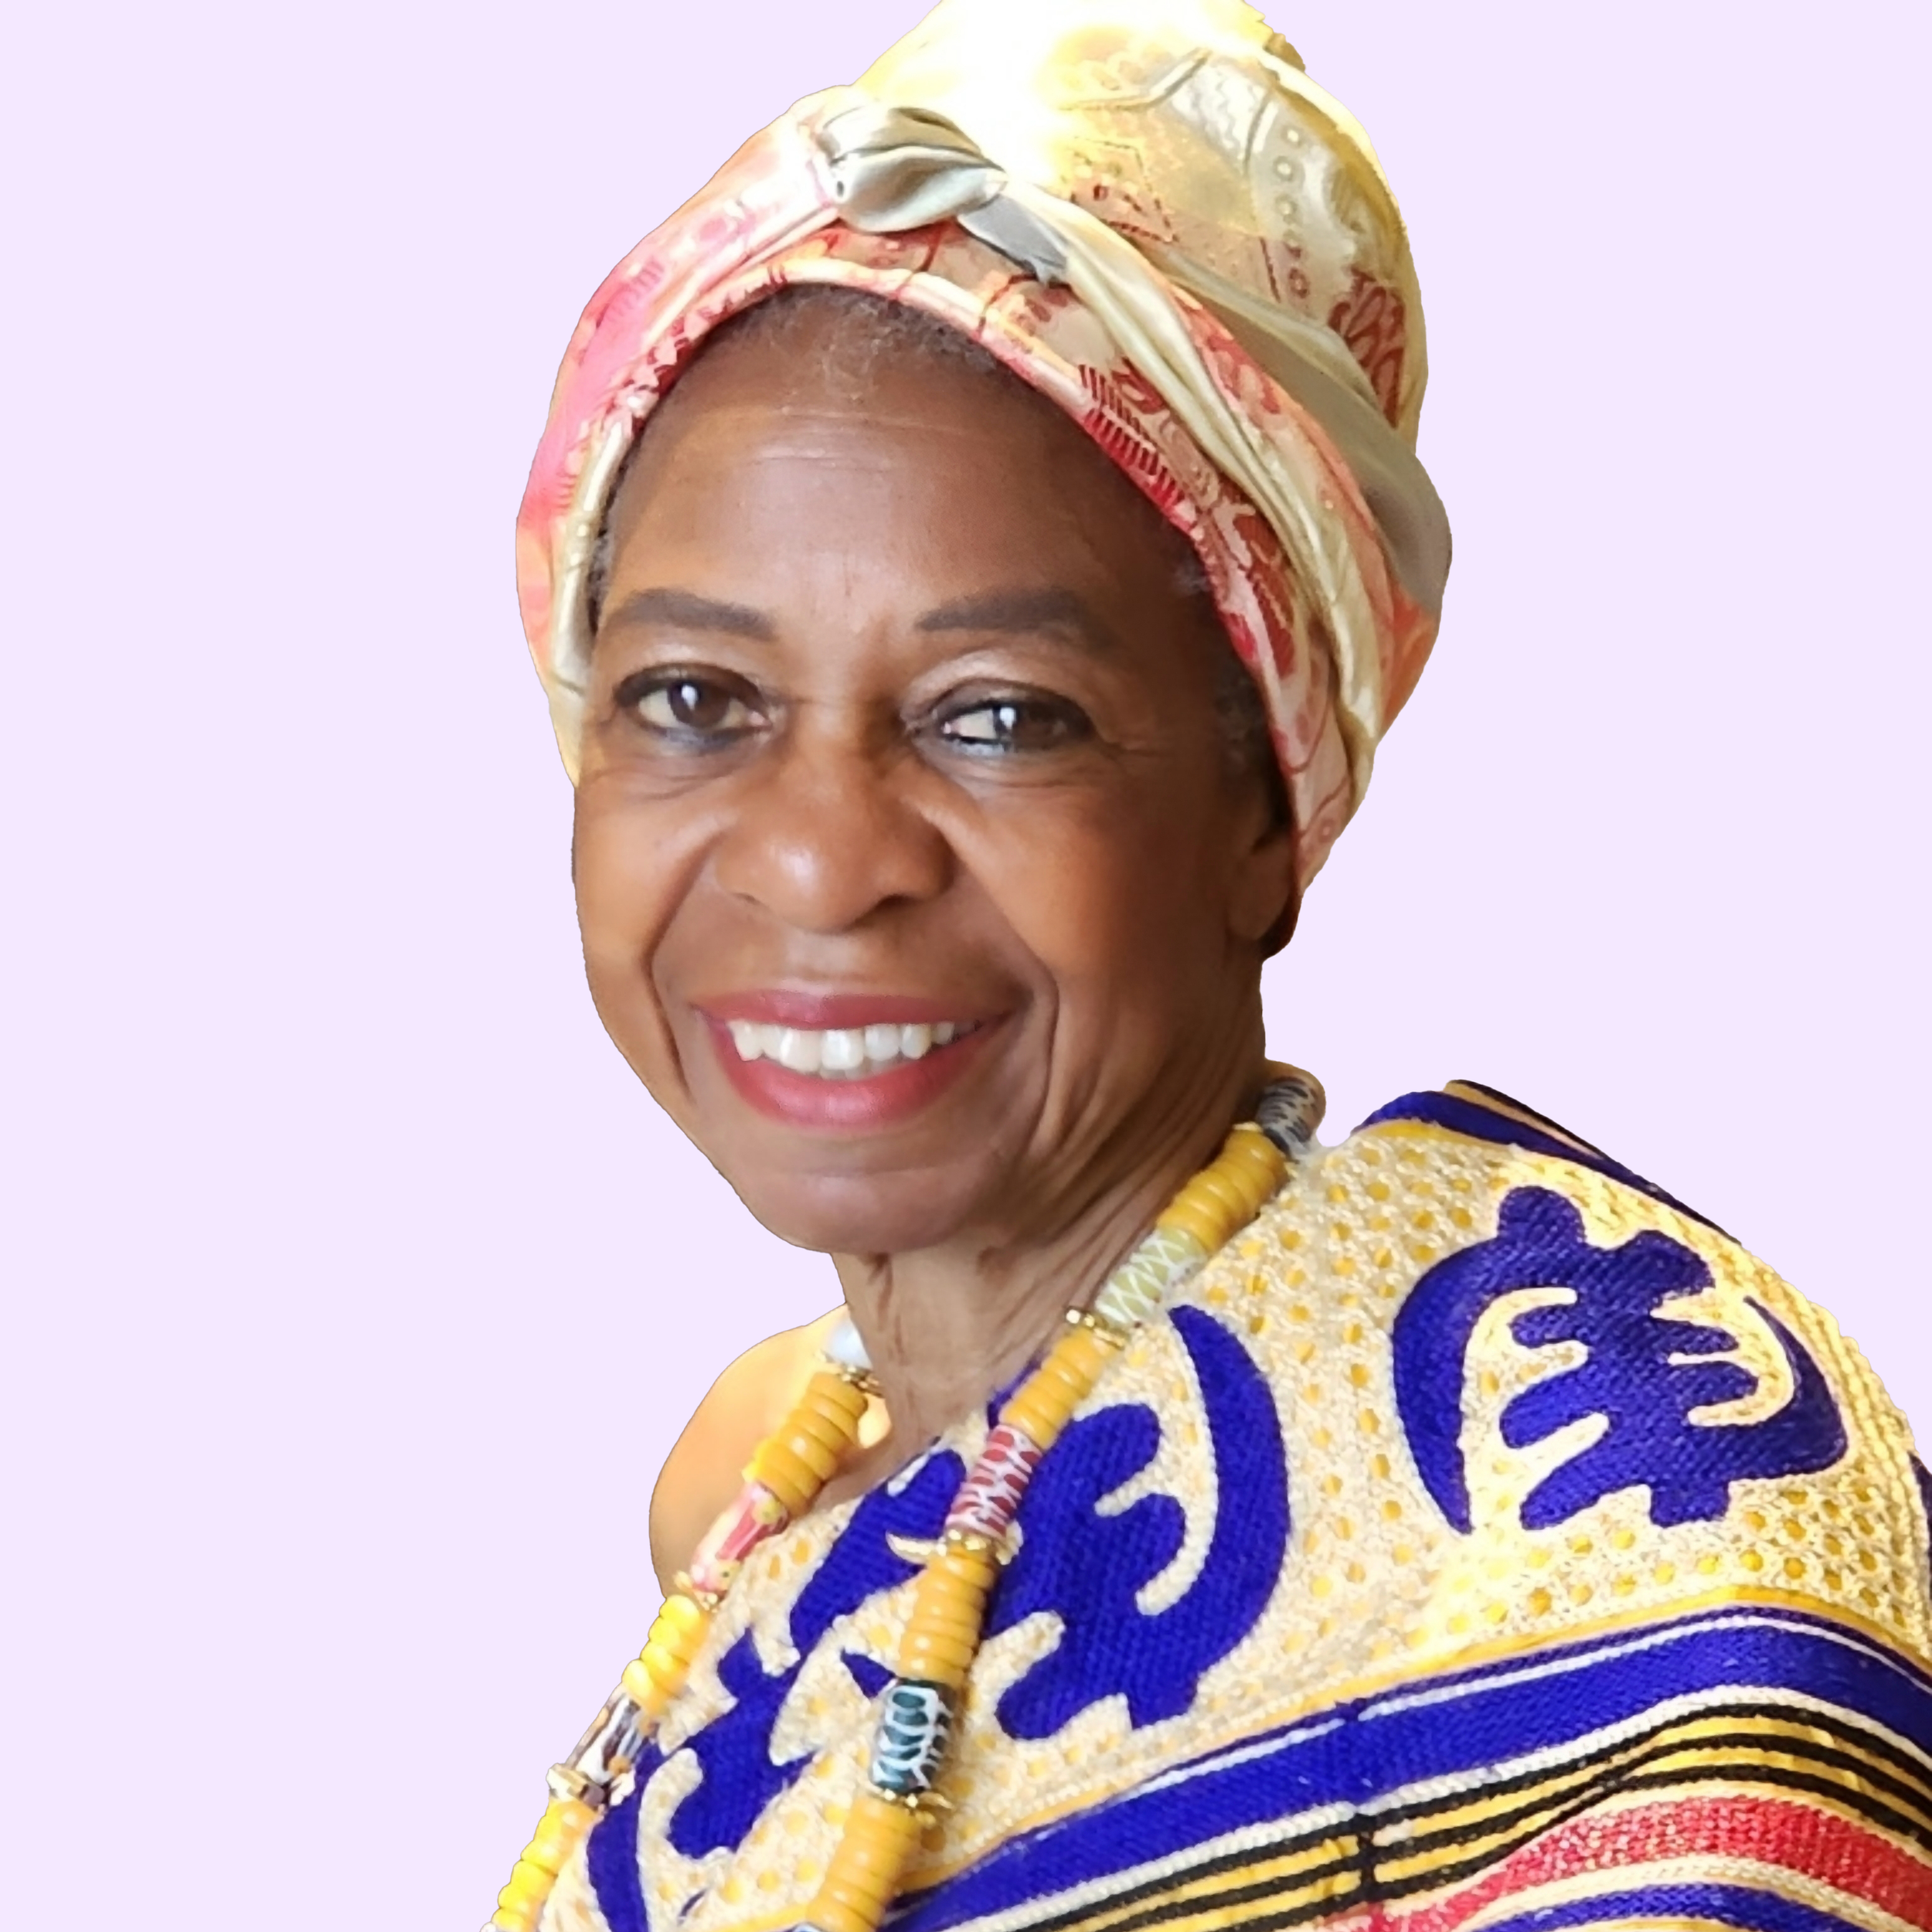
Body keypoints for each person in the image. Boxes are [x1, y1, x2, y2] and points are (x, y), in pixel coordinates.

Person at [491, 4, 1932, 1930]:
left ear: (1269, 805)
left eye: (999, 716)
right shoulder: (760, 1490)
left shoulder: (1618, 1509)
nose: (822, 860)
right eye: (693, 697)